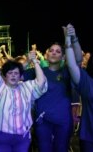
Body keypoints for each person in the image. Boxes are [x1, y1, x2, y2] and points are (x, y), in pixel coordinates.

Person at [23, 24, 83, 152]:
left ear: (63, 57)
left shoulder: (67, 72)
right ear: (46, 55)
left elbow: (78, 60)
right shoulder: (37, 71)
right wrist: (27, 61)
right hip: (43, 121)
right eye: (51, 50)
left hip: (63, 122)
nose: (54, 53)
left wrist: (73, 39)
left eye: (58, 51)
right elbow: (14, 73)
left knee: (61, 149)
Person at [0, 51, 48, 152]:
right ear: (4, 75)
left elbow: (41, 81)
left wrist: (35, 61)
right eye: (10, 73)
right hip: (1, 137)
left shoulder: (26, 86)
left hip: (22, 137)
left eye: (16, 73)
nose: (13, 76)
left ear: (21, 76)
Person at [64, 31, 93, 151]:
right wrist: (69, 40)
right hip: (90, 137)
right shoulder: (86, 81)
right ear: (92, 63)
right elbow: (72, 65)